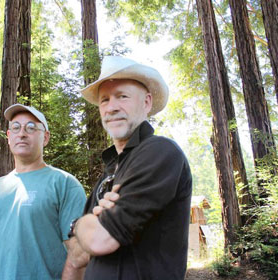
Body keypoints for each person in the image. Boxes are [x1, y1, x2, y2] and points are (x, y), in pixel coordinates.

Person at [67, 56, 192, 279]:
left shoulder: (160, 152)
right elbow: (77, 256)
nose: (111, 107)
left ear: (146, 102)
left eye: (122, 96)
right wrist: (90, 226)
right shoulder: (109, 171)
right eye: (104, 100)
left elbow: (98, 240)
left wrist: (80, 223)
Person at [0, 104, 86, 280]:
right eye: (16, 127)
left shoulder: (64, 184)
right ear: (9, 137)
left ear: (45, 137)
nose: (22, 133)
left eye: (31, 127)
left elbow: (78, 255)